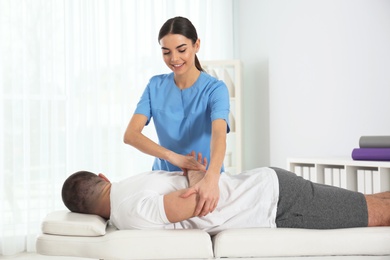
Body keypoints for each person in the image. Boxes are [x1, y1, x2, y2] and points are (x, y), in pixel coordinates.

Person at [62, 154, 390, 235]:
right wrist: (194, 170)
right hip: (270, 191)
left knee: (377, 214)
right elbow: (201, 190)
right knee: (374, 203)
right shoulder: (131, 186)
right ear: (103, 177)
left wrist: (195, 174)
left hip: (274, 201)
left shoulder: (127, 210)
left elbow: (203, 198)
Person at [123, 16, 230, 217]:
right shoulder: (155, 86)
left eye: (181, 50)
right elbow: (130, 135)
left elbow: (219, 136)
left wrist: (212, 179)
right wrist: (175, 158)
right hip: (163, 179)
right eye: (166, 52)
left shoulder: (216, 89)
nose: (174, 59)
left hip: (206, 179)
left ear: (196, 45)